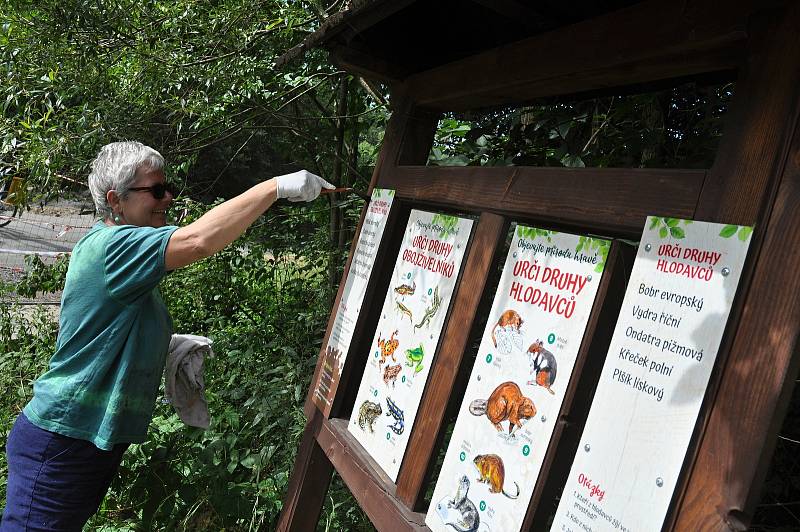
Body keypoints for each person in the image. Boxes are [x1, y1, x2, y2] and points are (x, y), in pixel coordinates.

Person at [0, 141, 333, 530]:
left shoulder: (119, 251)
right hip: (62, 439)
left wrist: (161, 346)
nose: (168, 197)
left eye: (167, 187)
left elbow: (110, 326)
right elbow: (197, 240)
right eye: (155, 190)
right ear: (116, 200)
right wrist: (275, 187)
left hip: (82, 441)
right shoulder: (115, 246)